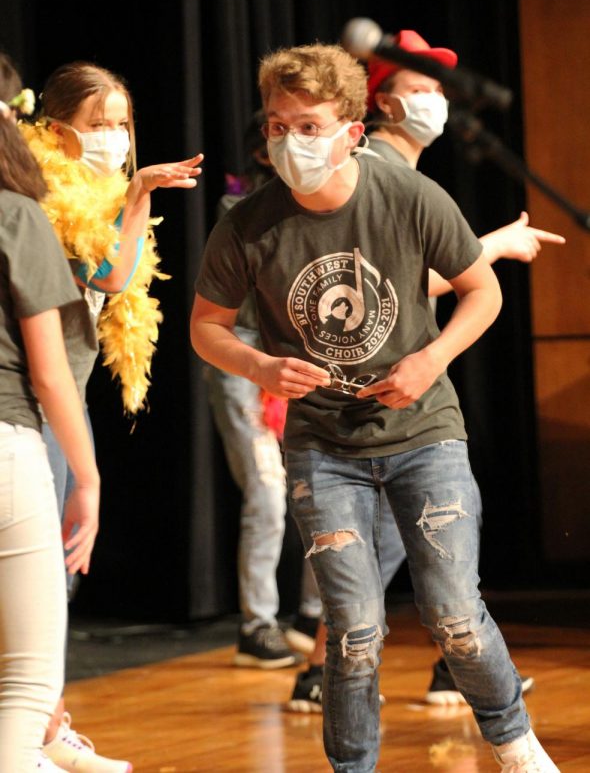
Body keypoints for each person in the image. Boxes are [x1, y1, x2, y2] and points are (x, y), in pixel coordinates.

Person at [191, 43, 559, 772]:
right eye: (276, 125)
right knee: (354, 630)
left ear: (352, 130)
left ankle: (515, 744)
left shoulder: (409, 196)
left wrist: (431, 359)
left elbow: (481, 290)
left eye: (308, 126)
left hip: (423, 434)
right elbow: (206, 327)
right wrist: (260, 363)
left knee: (454, 616)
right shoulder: (247, 224)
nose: (289, 142)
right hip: (324, 447)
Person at [288, 29, 565, 714]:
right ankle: (336, 672)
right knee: (395, 534)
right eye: (421, 89)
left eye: (441, 91)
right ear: (381, 102)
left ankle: (387, 669)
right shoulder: (378, 166)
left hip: (402, 390)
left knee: (408, 535)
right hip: (369, 396)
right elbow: (395, 282)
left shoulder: (405, 170)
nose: (436, 103)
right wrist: (494, 245)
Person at [20, 61, 202, 773]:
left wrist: (125, 196)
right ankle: (32, 730)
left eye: (122, 124)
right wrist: (137, 197)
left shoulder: (97, 194)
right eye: (99, 125)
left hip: (63, 394)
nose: (115, 139)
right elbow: (109, 275)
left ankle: (48, 723)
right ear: (55, 129)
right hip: (32, 402)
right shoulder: (44, 196)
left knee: (58, 568)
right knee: (41, 567)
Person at [0, 71, 100, 771]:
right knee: (27, 683)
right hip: (6, 446)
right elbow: (49, 371)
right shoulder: (15, 214)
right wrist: (86, 478)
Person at [205, 111, 321, 668]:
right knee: (268, 492)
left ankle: (313, 616)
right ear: (261, 152)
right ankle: (257, 623)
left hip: (302, 356)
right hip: (246, 357)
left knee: (321, 487)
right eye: (283, 136)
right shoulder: (239, 208)